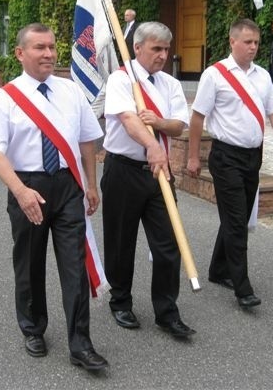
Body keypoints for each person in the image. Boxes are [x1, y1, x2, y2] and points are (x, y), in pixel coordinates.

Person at [0, 23, 108, 371]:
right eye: (39, 48)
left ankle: (81, 344)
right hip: (27, 186)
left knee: (74, 268)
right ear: (20, 53)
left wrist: (91, 185)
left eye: (51, 46)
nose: (48, 53)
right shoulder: (4, 98)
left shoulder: (71, 91)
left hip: (67, 186)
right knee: (30, 263)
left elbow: (86, 141)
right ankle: (33, 328)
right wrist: (20, 191)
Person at [186, 18, 273, 309]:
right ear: (232, 42)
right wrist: (192, 156)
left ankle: (218, 269)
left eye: (257, 43)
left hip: (253, 157)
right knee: (237, 222)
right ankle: (242, 287)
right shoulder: (215, 75)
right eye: (247, 42)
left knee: (237, 215)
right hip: (226, 157)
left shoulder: (262, 76)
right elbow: (198, 117)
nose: (253, 47)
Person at [101, 21, 195, 338]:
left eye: (166, 49)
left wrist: (159, 122)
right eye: (156, 49)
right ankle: (121, 301)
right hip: (124, 169)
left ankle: (167, 312)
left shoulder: (170, 84)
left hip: (158, 174)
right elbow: (128, 120)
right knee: (120, 242)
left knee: (168, 243)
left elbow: (179, 126)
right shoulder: (121, 80)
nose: (163, 55)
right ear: (138, 48)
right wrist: (153, 145)